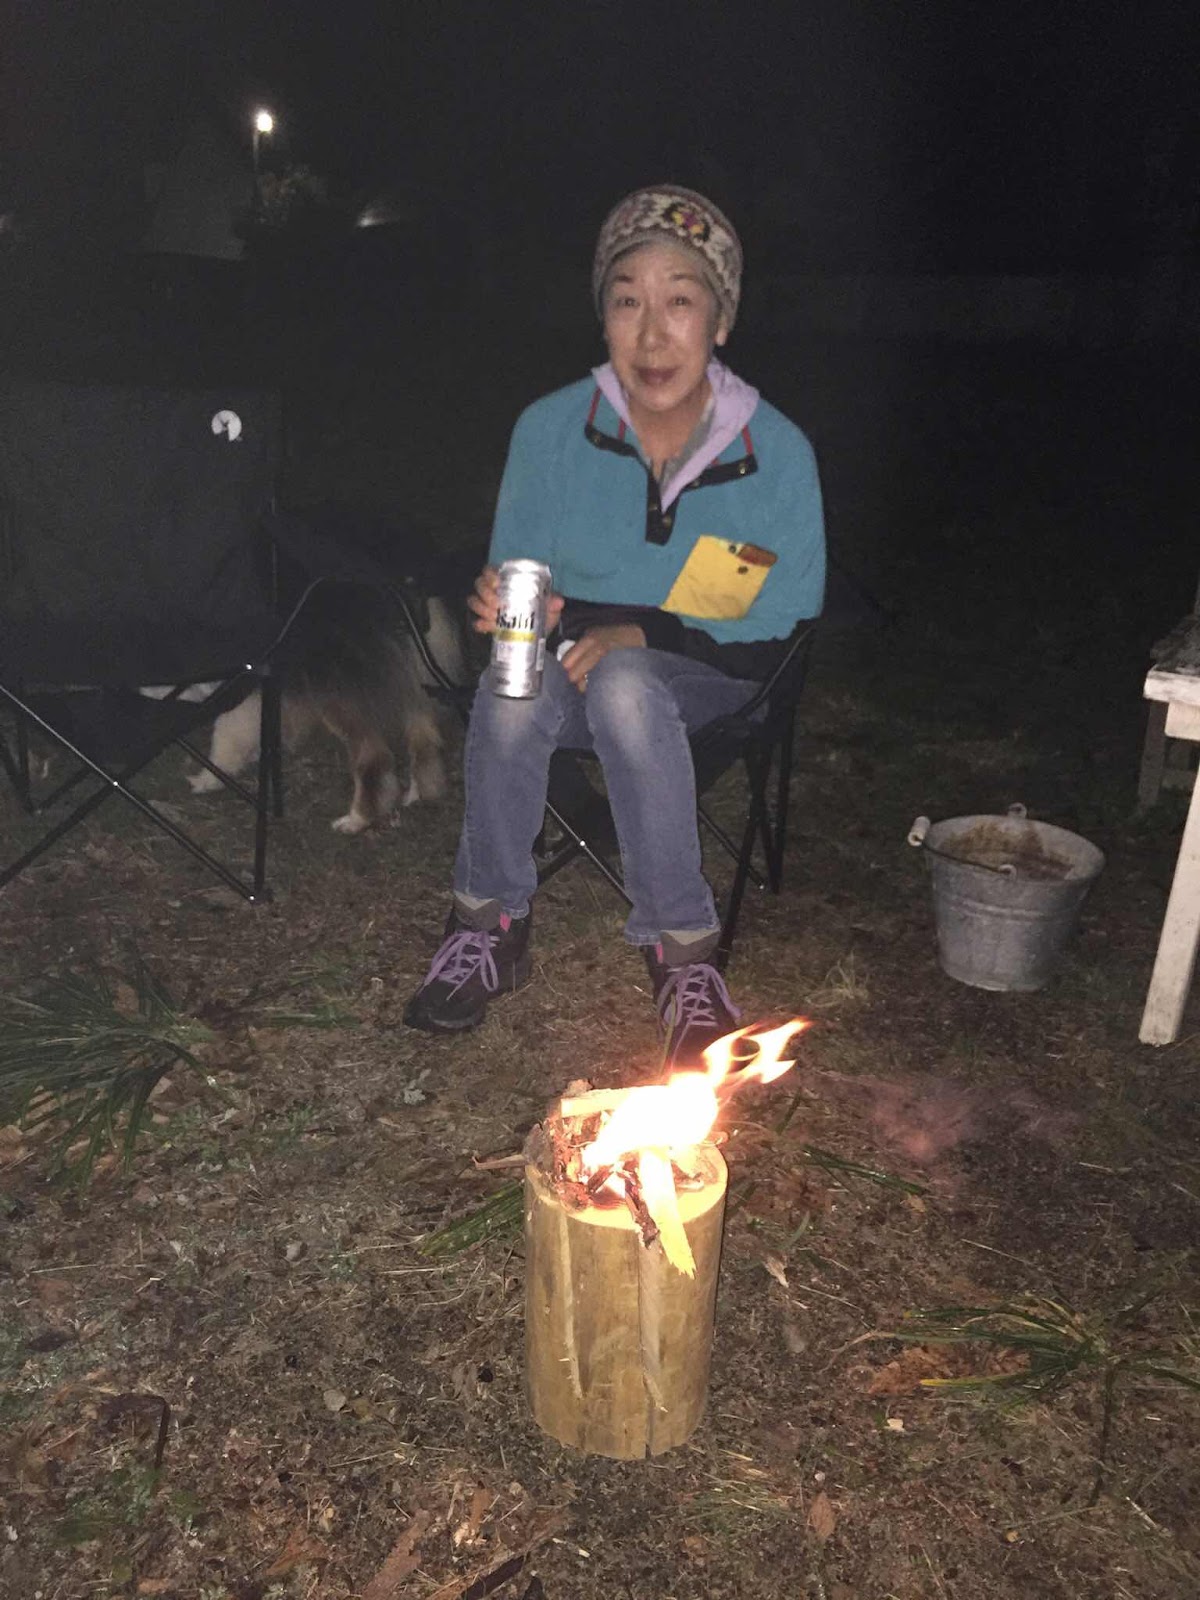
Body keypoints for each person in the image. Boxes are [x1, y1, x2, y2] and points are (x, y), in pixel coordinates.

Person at [404, 184, 824, 1065]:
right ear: (603, 320)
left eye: (681, 300)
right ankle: (488, 927)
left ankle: (683, 959)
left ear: (721, 320)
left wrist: (645, 635)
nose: (652, 333)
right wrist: (509, 606)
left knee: (629, 683)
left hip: (718, 667)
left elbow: (778, 612)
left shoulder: (774, 452)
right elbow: (522, 576)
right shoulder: (551, 430)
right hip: (575, 657)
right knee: (513, 686)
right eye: (627, 301)